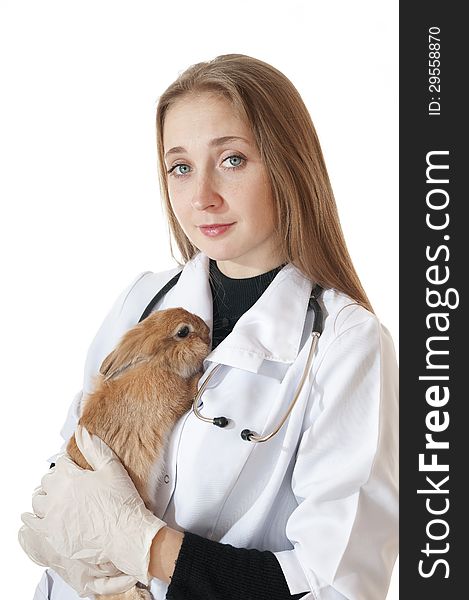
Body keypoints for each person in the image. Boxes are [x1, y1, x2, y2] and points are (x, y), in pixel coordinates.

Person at [19, 53, 398, 600]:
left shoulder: (345, 343)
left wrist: (143, 545)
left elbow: (336, 584)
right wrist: (72, 550)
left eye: (233, 160)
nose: (202, 197)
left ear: (287, 164)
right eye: (180, 167)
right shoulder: (142, 300)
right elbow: (74, 463)